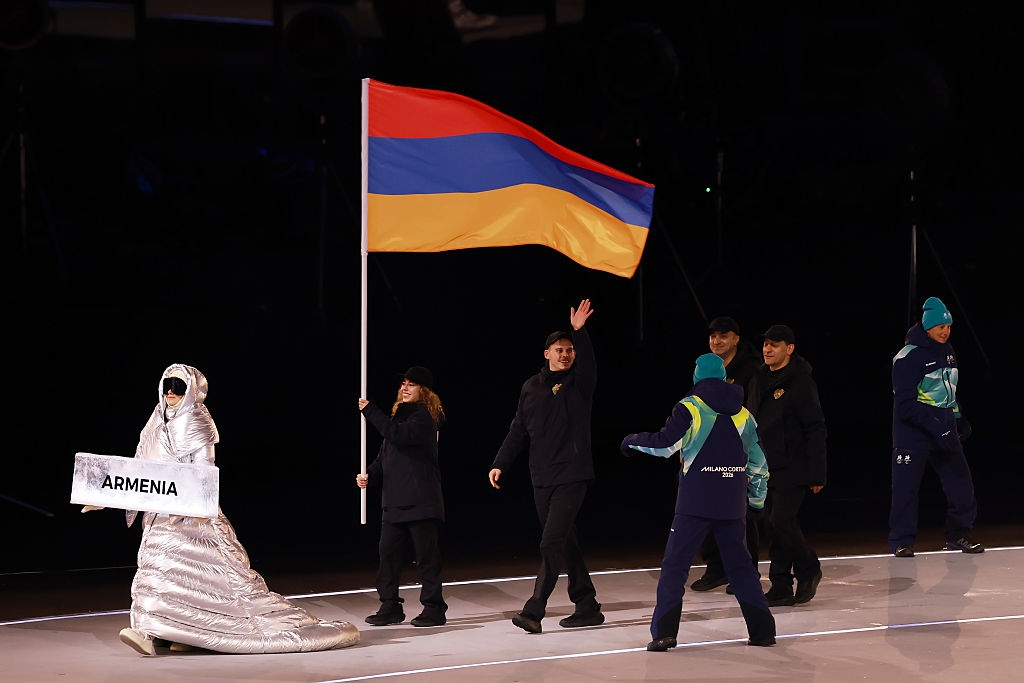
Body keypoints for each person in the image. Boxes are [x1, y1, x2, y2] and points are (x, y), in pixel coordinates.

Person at [83, 363, 360, 655]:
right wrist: (104, 496)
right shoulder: (155, 420)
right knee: (161, 571)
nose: (171, 393)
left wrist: (200, 503)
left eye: (178, 387)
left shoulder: (197, 419)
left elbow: (205, 467)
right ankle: (182, 632)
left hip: (191, 515)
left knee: (171, 571)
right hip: (158, 513)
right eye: (167, 386)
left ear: (191, 390)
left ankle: (148, 632)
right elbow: (138, 470)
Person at [621, 353, 776, 651]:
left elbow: (666, 445)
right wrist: (755, 502)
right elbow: (760, 467)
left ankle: (665, 633)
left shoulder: (690, 407)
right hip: (732, 505)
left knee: (675, 569)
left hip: (695, 504)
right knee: (742, 570)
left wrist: (631, 441)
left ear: (697, 375)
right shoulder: (744, 414)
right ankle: (763, 632)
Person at [489, 298, 604, 634]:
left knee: (550, 543)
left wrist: (580, 333)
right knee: (564, 541)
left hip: (573, 474)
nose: (565, 354)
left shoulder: (579, 384)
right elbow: (518, 429)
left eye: (569, 349)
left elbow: (589, 366)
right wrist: (500, 463)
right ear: (546, 354)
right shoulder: (531, 387)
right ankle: (587, 605)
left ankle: (534, 609)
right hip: (541, 477)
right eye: (559, 349)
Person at [889, 297, 983, 557]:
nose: (946, 331)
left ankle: (959, 535)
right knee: (906, 490)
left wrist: (957, 416)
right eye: (941, 326)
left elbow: (947, 390)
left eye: (949, 326)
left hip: (943, 428)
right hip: (913, 433)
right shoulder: (906, 357)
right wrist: (938, 425)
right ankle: (901, 541)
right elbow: (906, 405)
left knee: (961, 485)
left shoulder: (948, 350)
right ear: (927, 326)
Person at [357, 365, 449, 627]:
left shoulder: (424, 417)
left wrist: (370, 411)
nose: (405, 388)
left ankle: (434, 608)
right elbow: (385, 457)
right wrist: (370, 476)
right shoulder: (396, 419)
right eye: (403, 384)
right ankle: (390, 606)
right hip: (395, 503)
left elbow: (398, 436)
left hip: (421, 500)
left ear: (424, 391)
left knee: (426, 557)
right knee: (388, 555)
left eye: (412, 384)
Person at [748, 325, 827, 607]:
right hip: (763, 464)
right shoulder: (759, 377)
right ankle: (781, 585)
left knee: (779, 520)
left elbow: (815, 427)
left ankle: (809, 568)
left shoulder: (801, 381)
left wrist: (818, 472)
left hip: (793, 464)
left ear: (789, 349)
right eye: (766, 344)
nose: (767, 350)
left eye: (775, 345)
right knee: (774, 526)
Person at [691, 316, 763, 594]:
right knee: (707, 508)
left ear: (736, 339)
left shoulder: (751, 370)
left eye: (723, 336)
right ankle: (716, 568)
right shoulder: (706, 368)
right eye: (712, 336)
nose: (716, 341)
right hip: (706, 451)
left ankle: (747, 571)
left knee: (740, 514)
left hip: (735, 451)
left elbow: (752, 414)